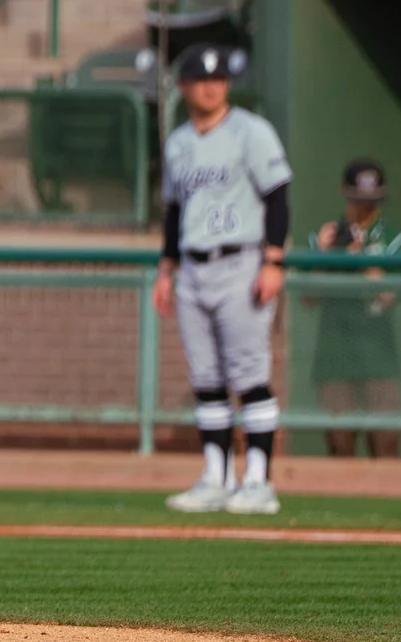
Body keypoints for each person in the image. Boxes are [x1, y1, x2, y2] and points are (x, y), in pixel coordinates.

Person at [154, 44, 292, 516]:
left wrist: (274, 261)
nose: (212, 86)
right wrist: (166, 269)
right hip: (193, 267)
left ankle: (257, 481)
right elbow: (174, 211)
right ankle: (215, 477)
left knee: (250, 376)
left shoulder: (251, 131)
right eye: (201, 78)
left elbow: (277, 196)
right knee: (207, 380)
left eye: (218, 79)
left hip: (241, 263)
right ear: (185, 86)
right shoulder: (178, 143)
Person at [305, 158, 401, 459]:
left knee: (386, 443)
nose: (365, 208)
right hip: (334, 355)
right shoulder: (323, 237)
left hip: (380, 357)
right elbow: (307, 298)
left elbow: (390, 294)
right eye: (359, 200)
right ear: (344, 192)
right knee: (339, 444)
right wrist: (327, 256)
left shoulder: (394, 239)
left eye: (372, 202)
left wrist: (362, 257)